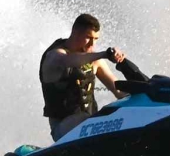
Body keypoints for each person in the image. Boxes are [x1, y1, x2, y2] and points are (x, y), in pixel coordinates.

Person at [39, 13, 127, 141]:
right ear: (75, 32)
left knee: (113, 112)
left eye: (96, 39)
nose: (92, 43)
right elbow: (68, 60)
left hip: (93, 126)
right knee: (85, 119)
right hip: (63, 130)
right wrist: (104, 54)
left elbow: (118, 90)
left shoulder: (94, 60)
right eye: (88, 37)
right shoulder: (55, 56)